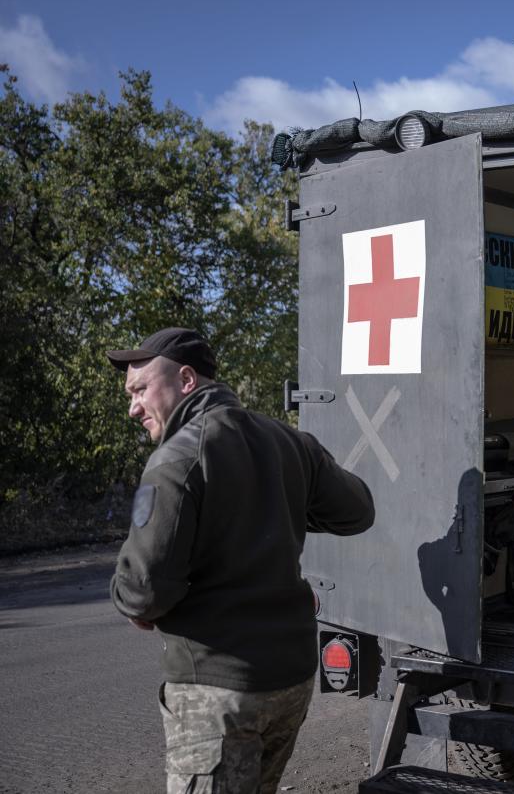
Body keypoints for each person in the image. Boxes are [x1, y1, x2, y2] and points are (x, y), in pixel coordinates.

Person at [106, 327, 375, 794]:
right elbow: (358, 510)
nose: (132, 407)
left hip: (217, 690)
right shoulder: (289, 442)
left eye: (140, 389)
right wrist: (282, 497)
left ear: (186, 380)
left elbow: (144, 590)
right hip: (290, 682)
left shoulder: (176, 458)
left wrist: (130, 603)